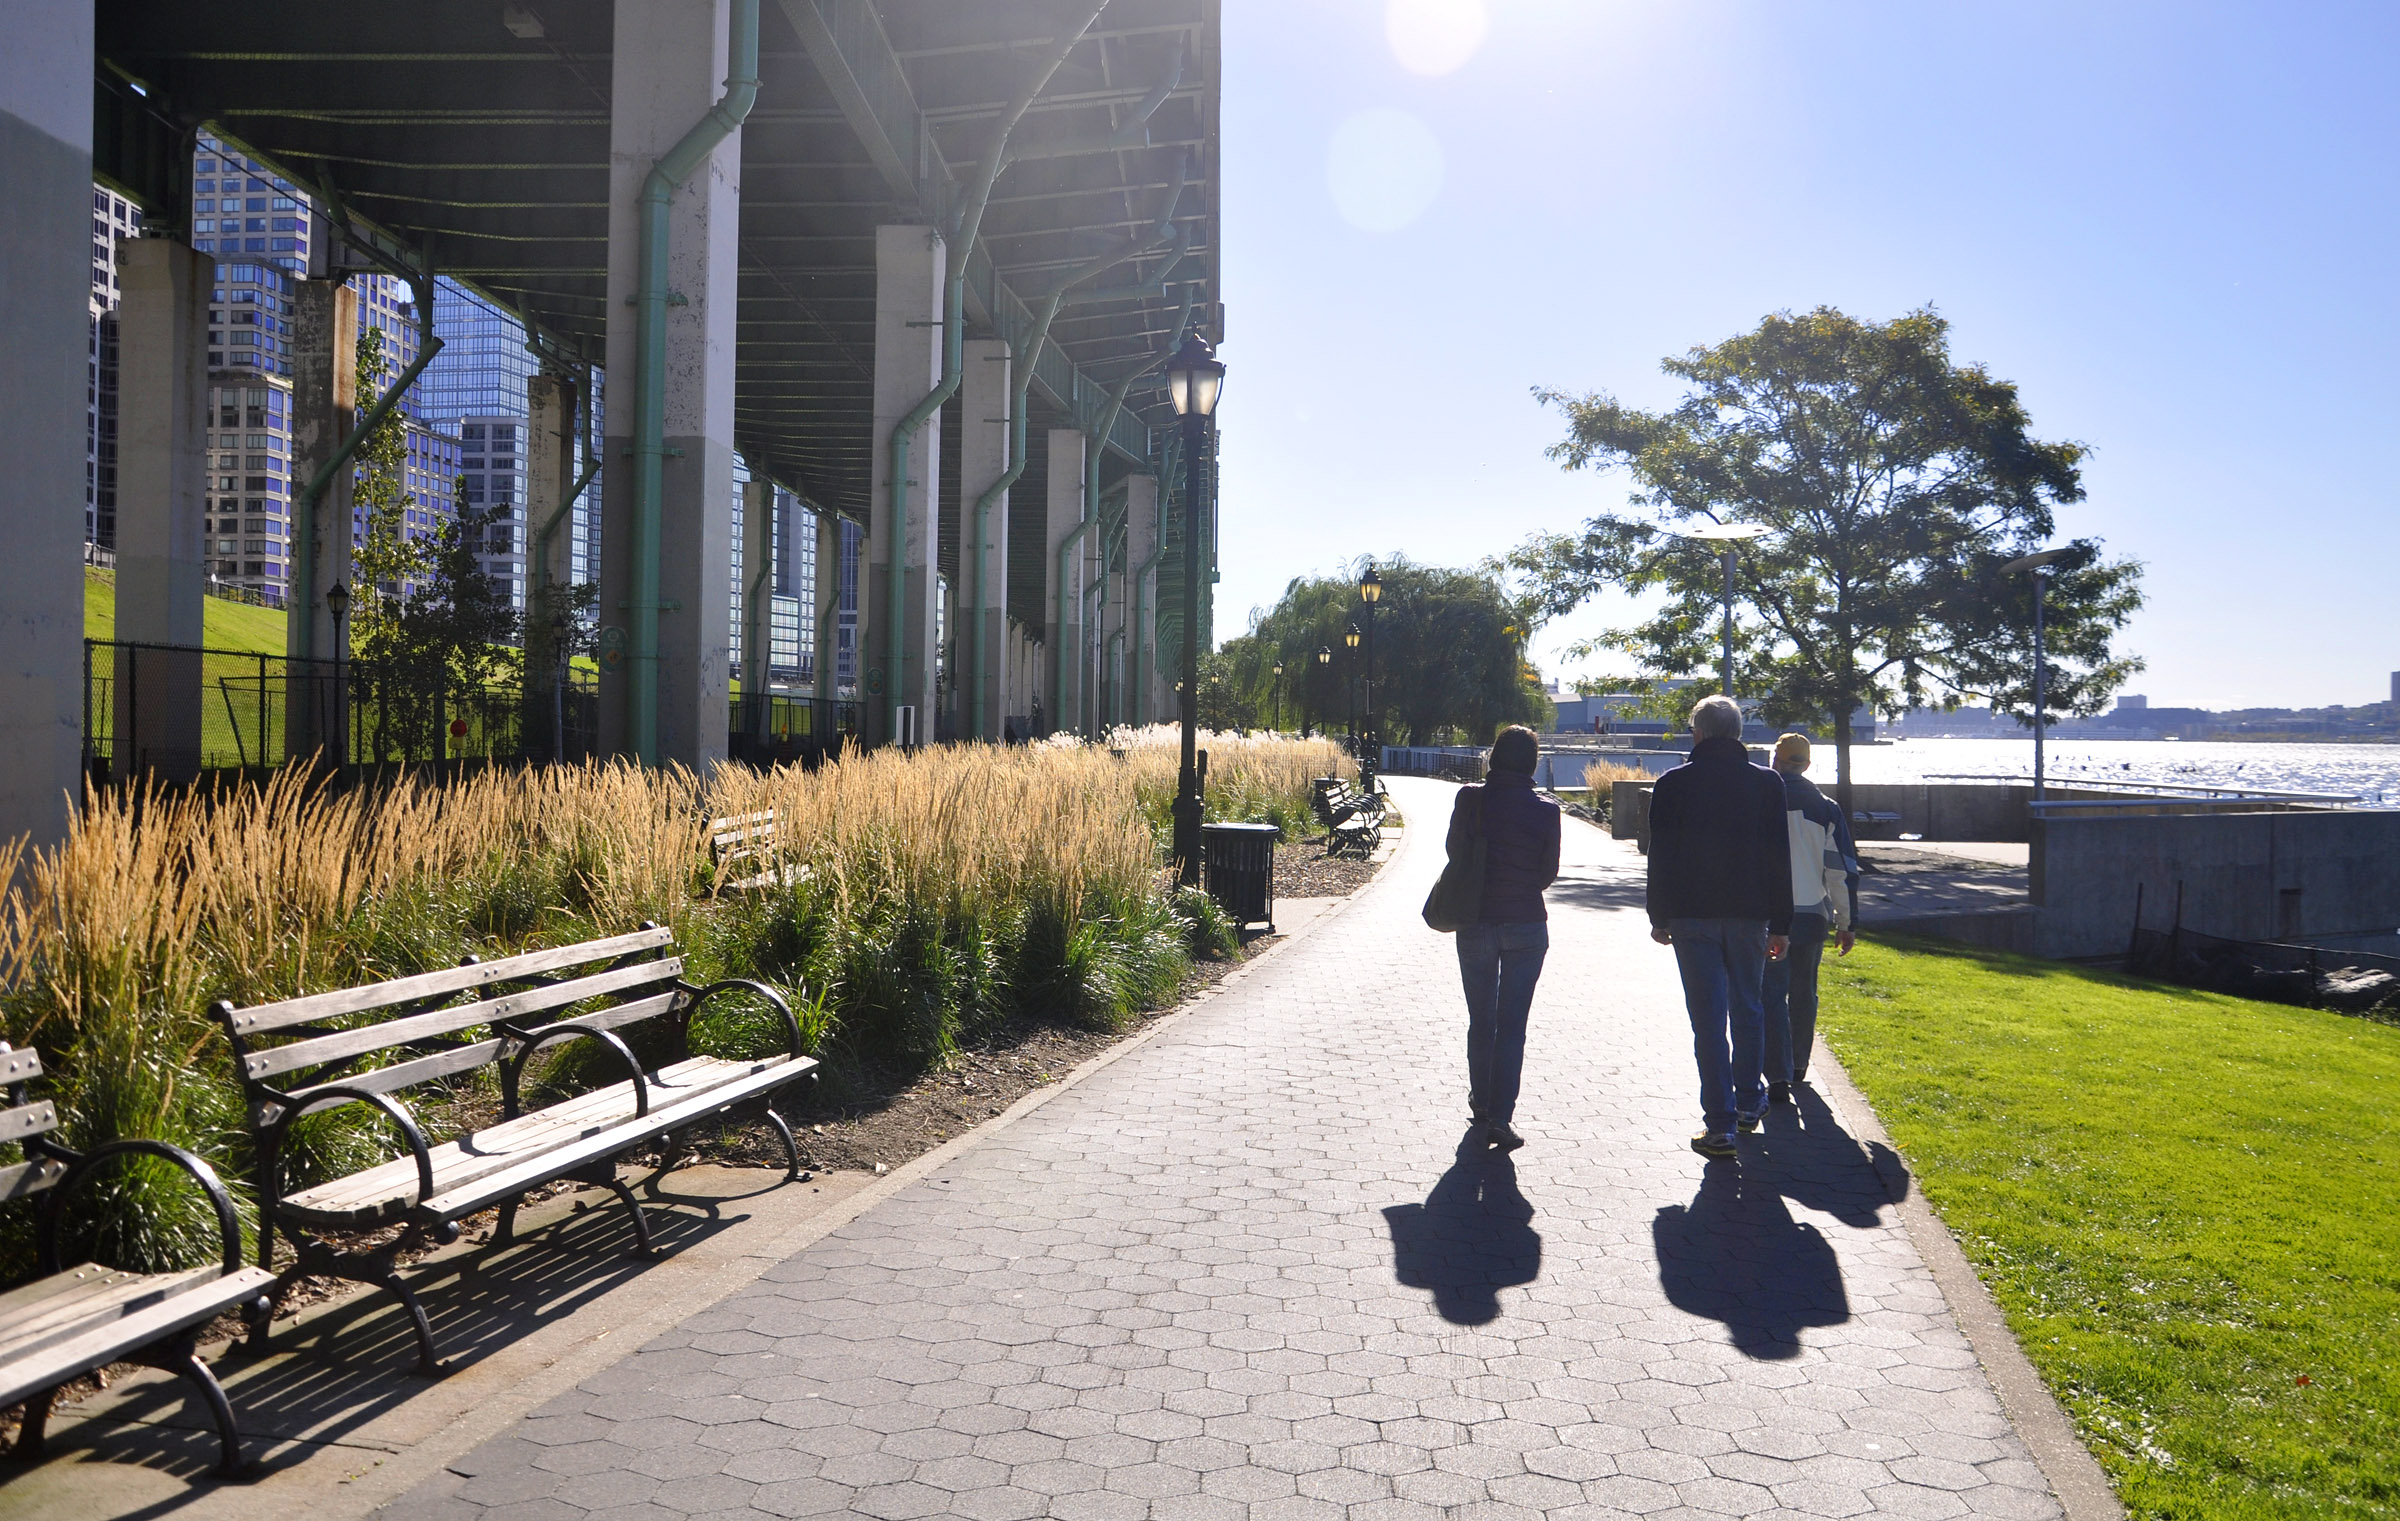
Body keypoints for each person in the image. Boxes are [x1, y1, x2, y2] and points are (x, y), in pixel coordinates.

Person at [1646, 695, 1792, 1161]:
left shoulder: (1673, 784)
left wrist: (1658, 916)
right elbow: (1779, 856)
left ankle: (1719, 1124)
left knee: (1708, 1021)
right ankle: (1749, 1101)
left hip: (1691, 914)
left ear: (1699, 733)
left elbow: (1660, 855)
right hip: (1750, 914)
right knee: (1748, 1007)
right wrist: (1781, 923)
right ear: (1738, 733)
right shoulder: (1767, 784)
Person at [1447, 724, 1560, 1153]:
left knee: (1482, 1020)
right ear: (1532, 762)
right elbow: (1547, 874)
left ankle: (1481, 1099)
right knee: (1513, 1026)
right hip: (1527, 924)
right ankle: (1501, 1117)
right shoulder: (1546, 810)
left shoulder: (1470, 798)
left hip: (1475, 919)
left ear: (1494, 757)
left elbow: (1454, 852)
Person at [1763, 733, 1860, 1102]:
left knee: (1770, 994)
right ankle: (1799, 1065)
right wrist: (1846, 923)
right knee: (1804, 993)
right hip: (1811, 915)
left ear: (1775, 759)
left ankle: (1776, 1075)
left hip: (1769, 916)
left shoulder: (1760, 799)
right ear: (1806, 765)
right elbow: (1841, 871)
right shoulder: (1826, 808)